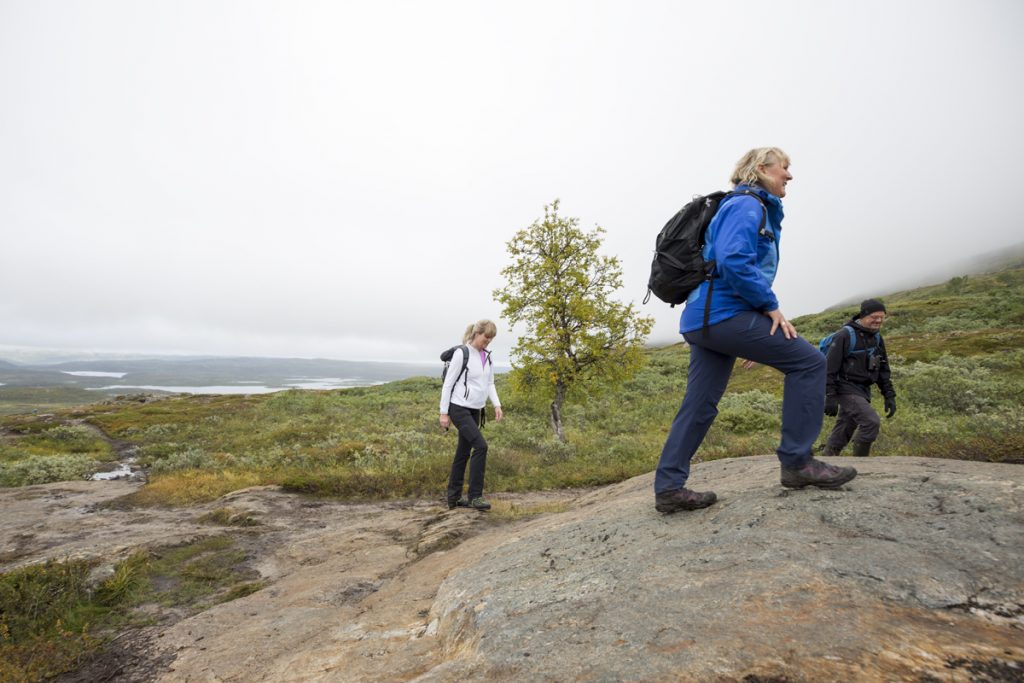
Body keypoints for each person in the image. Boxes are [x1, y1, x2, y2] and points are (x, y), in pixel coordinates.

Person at [654, 147, 858, 514]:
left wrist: (749, 334)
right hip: (721, 315)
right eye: (785, 167)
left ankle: (669, 487)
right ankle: (798, 463)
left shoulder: (743, 206)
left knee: (699, 404)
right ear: (761, 169)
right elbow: (734, 260)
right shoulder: (747, 205)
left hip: (707, 319)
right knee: (810, 363)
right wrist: (768, 307)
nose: (789, 176)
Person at [440, 319, 503, 511]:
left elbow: (490, 382)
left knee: (463, 452)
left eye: (491, 339)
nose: (488, 342)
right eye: (486, 337)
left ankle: (454, 498)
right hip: (458, 408)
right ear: (477, 333)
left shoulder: (487, 357)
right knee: (481, 446)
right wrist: (444, 413)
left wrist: (497, 405)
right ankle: (475, 497)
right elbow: (448, 384)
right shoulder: (462, 353)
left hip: (476, 409)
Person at [822, 299, 896, 457]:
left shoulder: (876, 337)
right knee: (870, 422)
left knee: (844, 427)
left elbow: (883, 369)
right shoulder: (844, 336)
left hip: (862, 389)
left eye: (882, 317)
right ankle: (861, 464)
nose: (878, 320)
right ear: (863, 315)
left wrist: (889, 395)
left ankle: (827, 461)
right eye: (874, 317)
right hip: (845, 387)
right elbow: (829, 369)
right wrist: (830, 397)